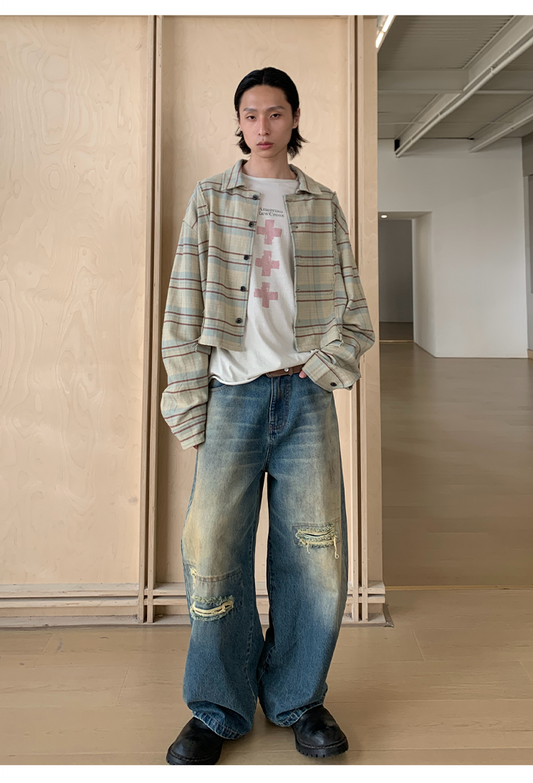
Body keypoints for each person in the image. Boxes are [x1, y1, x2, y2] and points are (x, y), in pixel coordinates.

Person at [160, 66, 375, 765]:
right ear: (239, 122)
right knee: (212, 552)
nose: (262, 125)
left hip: (305, 396)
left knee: (315, 553)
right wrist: (187, 397)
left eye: (275, 113)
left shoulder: (322, 204)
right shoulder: (210, 198)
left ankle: (298, 699)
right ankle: (216, 708)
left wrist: (322, 364)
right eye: (250, 114)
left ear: (293, 118)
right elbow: (183, 303)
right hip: (231, 394)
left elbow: (353, 308)